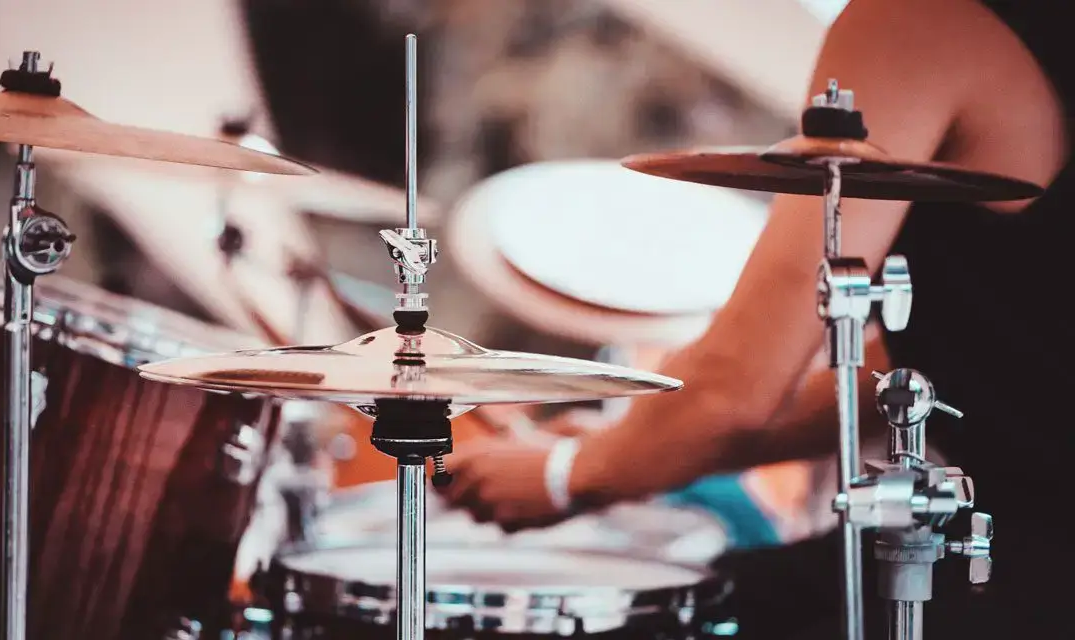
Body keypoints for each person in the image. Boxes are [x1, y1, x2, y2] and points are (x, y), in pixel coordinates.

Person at [439, 0, 1073, 635]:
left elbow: (734, 386)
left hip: (1022, 567)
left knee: (673, 615)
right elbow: (934, 373)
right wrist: (633, 447)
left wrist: (564, 477)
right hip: (1020, 543)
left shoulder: (917, 19)